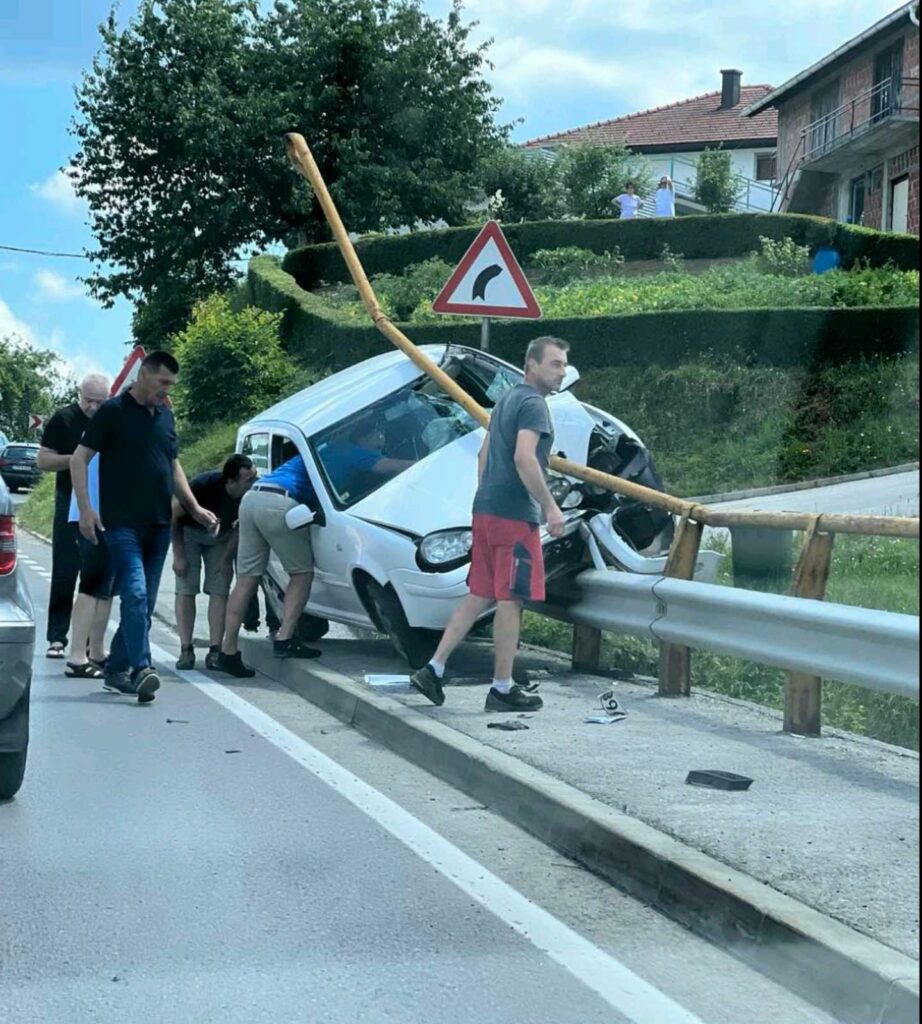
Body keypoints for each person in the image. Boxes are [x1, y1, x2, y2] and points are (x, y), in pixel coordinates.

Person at [410, 336, 569, 713]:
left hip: (486, 511)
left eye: (563, 365)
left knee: (479, 593)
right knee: (510, 599)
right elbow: (525, 459)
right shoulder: (534, 405)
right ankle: (501, 688)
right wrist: (550, 508)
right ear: (531, 365)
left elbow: (483, 455)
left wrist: (487, 496)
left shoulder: (507, 399)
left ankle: (433, 668)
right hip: (514, 516)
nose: (561, 372)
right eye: (554, 364)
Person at [71, 351, 218, 703]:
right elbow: (79, 458)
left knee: (145, 602)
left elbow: (173, 465)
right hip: (121, 525)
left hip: (159, 525)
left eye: (171, 384)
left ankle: (116, 670)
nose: (167, 390)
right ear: (143, 375)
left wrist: (194, 507)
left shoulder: (165, 415)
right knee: (134, 594)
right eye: (162, 383)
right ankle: (142, 669)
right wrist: (86, 510)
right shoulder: (113, 411)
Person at [215, 452, 322, 678]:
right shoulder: (345, 453)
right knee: (301, 573)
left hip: (251, 499)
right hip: (278, 502)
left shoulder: (312, 447)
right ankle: (285, 638)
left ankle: (227, 651)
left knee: (245, 579)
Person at [37, 374, 110, 659]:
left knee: (96, 574)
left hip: (102, 502)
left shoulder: (111, 419)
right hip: (68, 499)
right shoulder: (63, 419)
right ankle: (57, 637)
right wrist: (80, 457)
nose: (92, 407)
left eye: (99, 402)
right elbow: (43, 460)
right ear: (79, 395)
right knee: (65, 570)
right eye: (87, 400)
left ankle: (92, 641)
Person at [172, 454, 258, 671]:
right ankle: (186, 648)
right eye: (248, 479)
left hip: (222, 537)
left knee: (220, 589)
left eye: (255, 477)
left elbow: (239, 529)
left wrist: (226, 560)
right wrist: (179, 555)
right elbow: (173, 517)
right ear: (231, 481)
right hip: (190, 533)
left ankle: (215, 650)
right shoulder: (203, 485)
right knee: (186, 588)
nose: (253, 483)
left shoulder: (250, 496)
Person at [64, 442, 115, 680]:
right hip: (94, 513)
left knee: (106, 588)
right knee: (92, 585)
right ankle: (77, 656)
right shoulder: (108, 423)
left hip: (106, 514)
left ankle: (96, 650)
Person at [321, 417, 414, 498]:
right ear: (365, 438)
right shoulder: (354, 454)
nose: (379, 454)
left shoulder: (338, 447)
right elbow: (391, 466)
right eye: (378, 448)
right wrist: (426, 465)